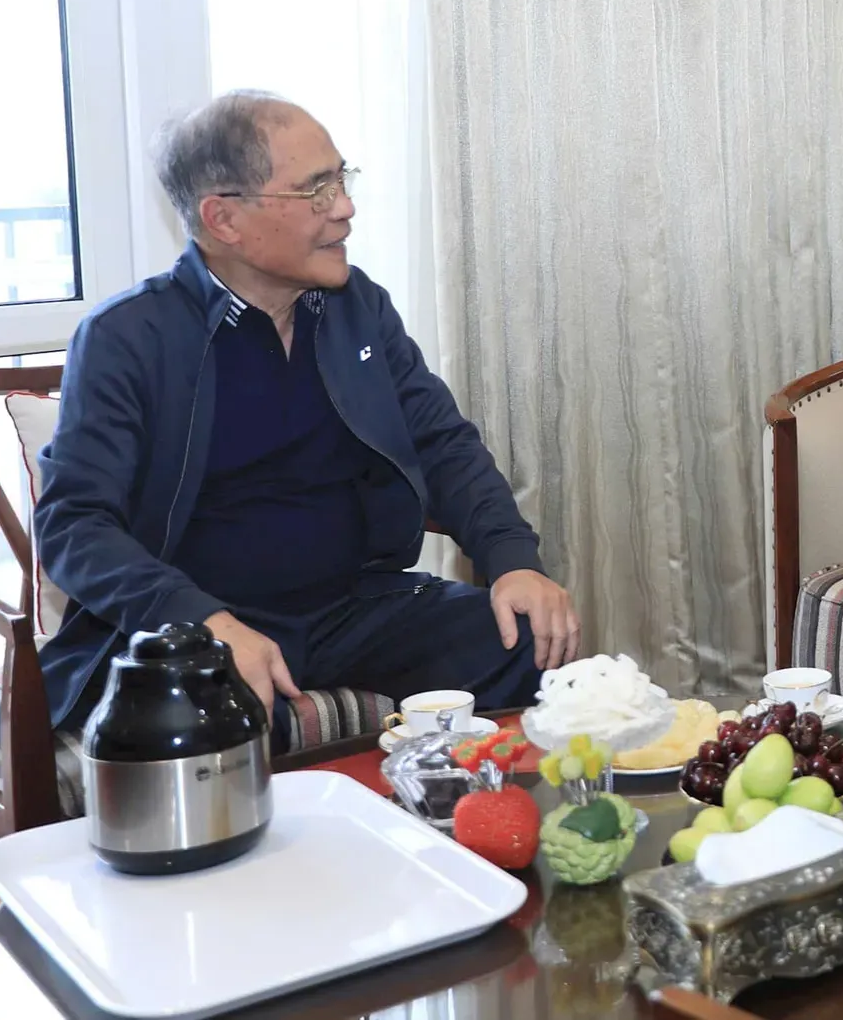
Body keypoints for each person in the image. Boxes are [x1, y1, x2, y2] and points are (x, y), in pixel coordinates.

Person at [35, 91, 580, 739]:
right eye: (316, 190)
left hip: (351, 609)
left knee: (533, 648)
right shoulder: (128, 337)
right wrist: (203, 622)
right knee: (199, 719)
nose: (344, 208)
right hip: (195, 624)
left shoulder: (357, 308)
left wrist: (513, 559)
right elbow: (74, 524)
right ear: (224, 219)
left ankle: (467, 810)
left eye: (341, 181)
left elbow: (442, 444)